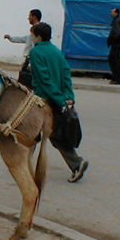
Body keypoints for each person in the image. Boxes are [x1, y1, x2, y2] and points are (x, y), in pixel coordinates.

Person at [29, 22, 89, 183]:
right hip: (57, 99)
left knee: (36, 131)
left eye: (33, 35)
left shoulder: (35, 52)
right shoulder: (56, 51)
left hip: (43, 100)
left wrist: (59, 100)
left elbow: (44, 80)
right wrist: (68, 96)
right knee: (48, 133)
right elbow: (65, 73)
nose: (32, 38)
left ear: (38, 37)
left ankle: (76, 163)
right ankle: (75, 163)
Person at [4, 9, 42, 88]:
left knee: (26, 82)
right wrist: (11, 38)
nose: (28, 18)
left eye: (29, 16)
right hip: (30, 60)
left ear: (34, 17)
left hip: (31, 60)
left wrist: (31, 63)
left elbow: (35, 47)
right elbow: (24, 39)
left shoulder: (37, 31)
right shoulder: (34, 30)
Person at [107, 7, 120, 85]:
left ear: (116, 13)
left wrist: (113, 40)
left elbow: (118, 33)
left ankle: (117, 79)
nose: (111, 13)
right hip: (118, 44)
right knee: (113, 59)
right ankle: (115, 78)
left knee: (114, 60)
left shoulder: (117, 21)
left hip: (116, 44)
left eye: (112, 12)